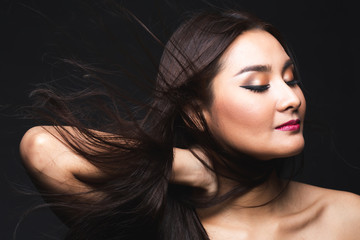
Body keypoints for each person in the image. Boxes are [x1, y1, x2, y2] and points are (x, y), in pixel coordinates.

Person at [19, 8, 360, 240]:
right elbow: (43, 148)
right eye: (257, 84)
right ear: (196, 113)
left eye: (291, 79)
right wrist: (191, 167)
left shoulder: (348, 217)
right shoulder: (153, 223)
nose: (292, 99)